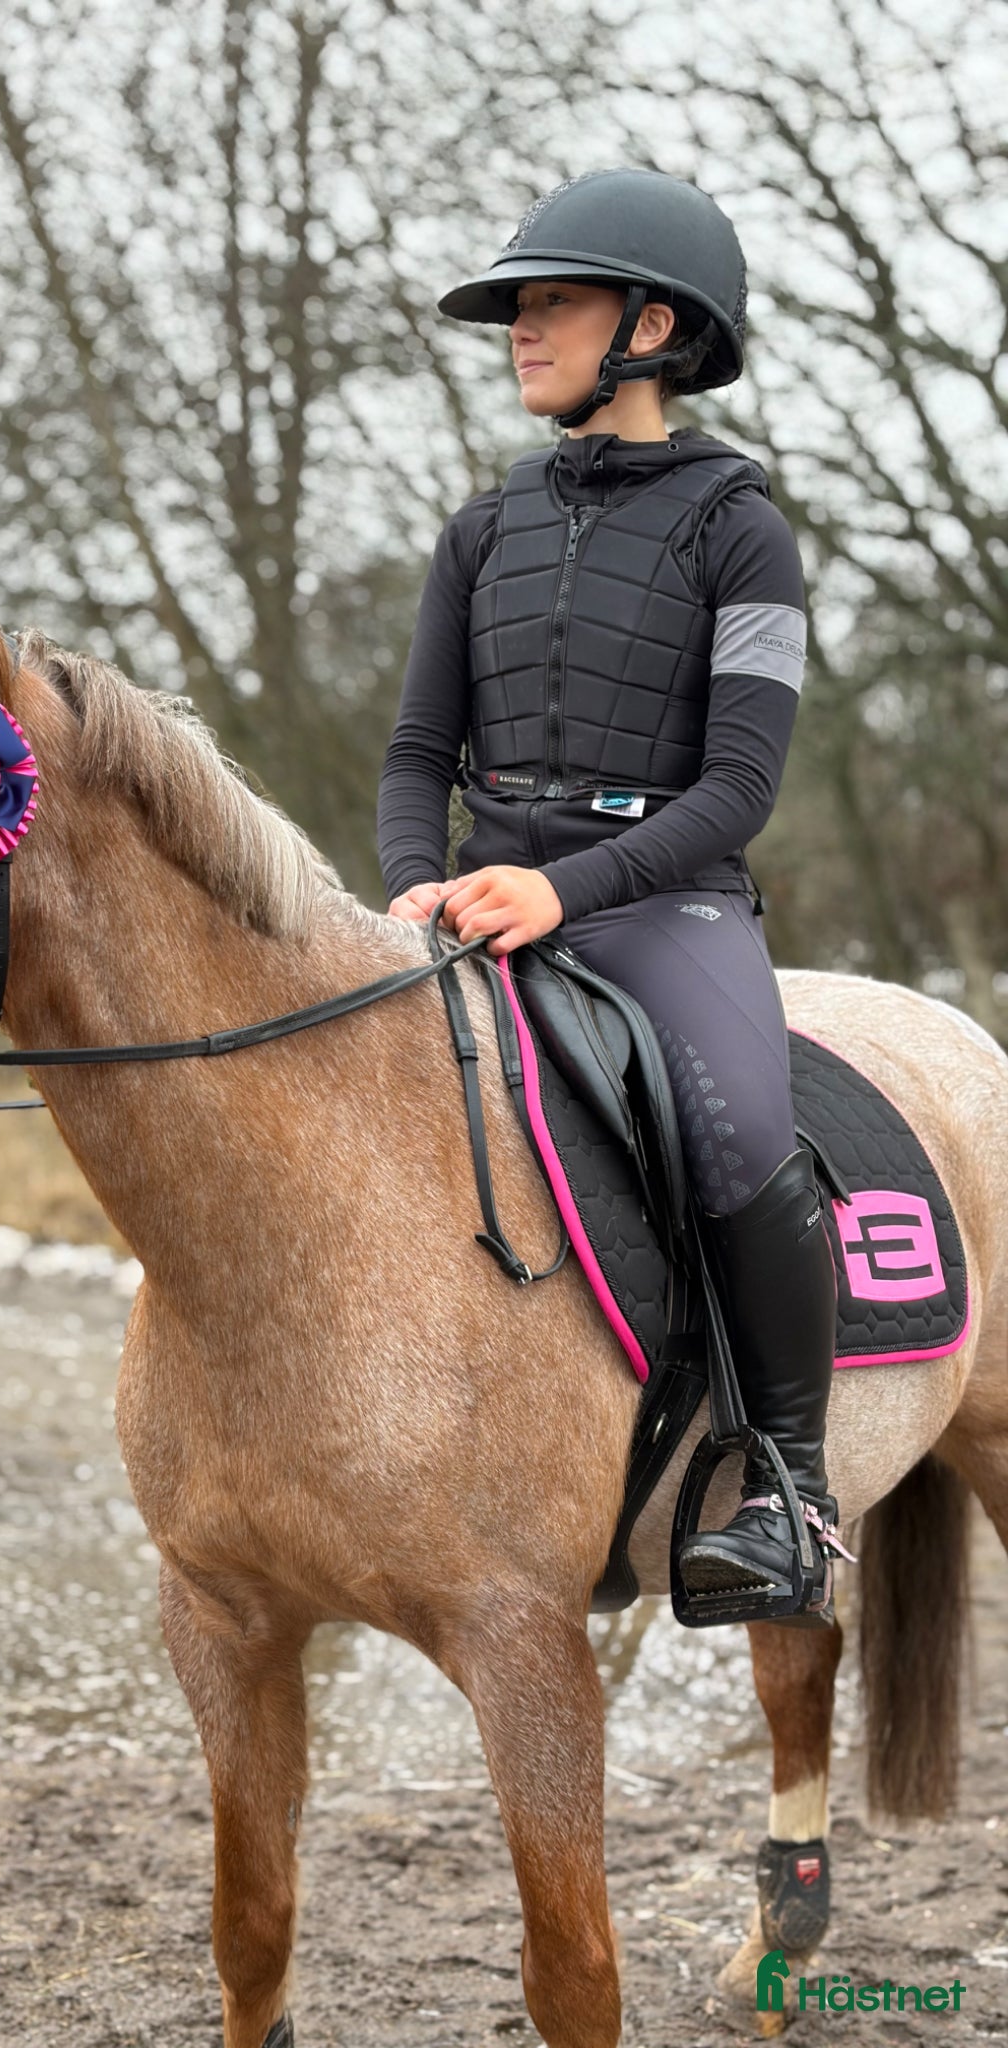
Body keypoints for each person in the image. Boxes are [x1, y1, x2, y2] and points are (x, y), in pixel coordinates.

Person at [378, 167, 845, 1626]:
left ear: (650, 325)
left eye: (550, 304)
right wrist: (411, 885)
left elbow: (740, 790)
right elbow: (414, 756)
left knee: (741, 1133)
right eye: (515, 307)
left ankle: (789, 1486)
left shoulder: (744, 528)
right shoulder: (478, 530)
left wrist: (561, 885)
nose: (522, 330)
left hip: (666, 903)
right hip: (471, 901)